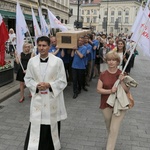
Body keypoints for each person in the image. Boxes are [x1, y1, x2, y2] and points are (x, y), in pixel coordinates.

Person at [24, 36, 67, 150]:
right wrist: (36, 86)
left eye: (44, 45)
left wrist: (49, 85)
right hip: (38, 98)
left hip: (52, 98)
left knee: (51, 124)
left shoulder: (58, 61)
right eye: (39, 45)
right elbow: (27, 79)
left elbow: (63, 80)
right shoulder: (32, 61)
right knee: (36, 122)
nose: (41, 48)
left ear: (49, 46)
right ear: (37, 46)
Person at [97, 51, 129, 150]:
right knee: (109, 126)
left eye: (114, 60)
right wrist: (110, 91)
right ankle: (111, 139)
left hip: (119, 105)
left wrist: (122, 80)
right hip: (106, 104)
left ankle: (110, 147)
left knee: (114, 129)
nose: (111, 62)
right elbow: (99, 89)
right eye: (109, 60)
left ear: (117, 62)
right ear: (107, 61)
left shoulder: (122, 73)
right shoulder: (103, 74)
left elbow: (126, 90)